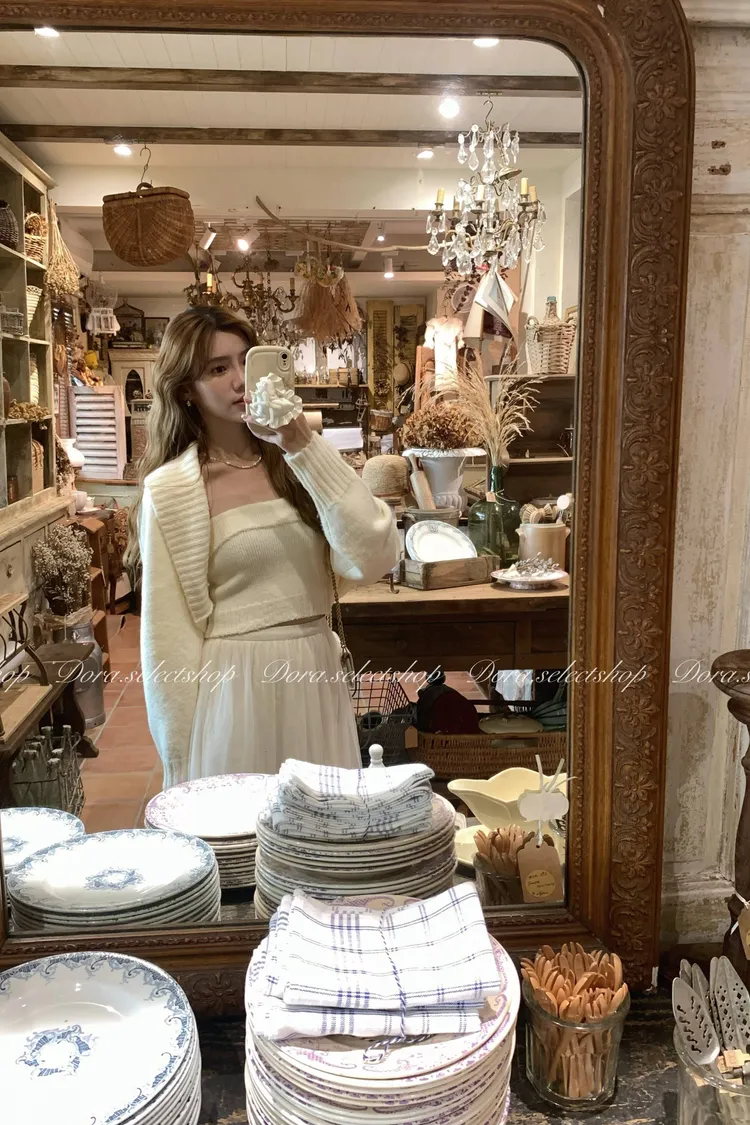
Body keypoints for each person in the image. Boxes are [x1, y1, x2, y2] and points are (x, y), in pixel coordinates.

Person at [125, 306, 399, 788]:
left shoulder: (299, 461)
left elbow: (374, 552)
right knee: (243, 828)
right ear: (186, 390)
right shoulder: (172, 490)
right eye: (217, 369)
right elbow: (168, 639)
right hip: (234, 690)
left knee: (321, 827)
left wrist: (301, 443)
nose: (239, 380)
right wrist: (178, 762)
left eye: (245, 361)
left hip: (316, 675)